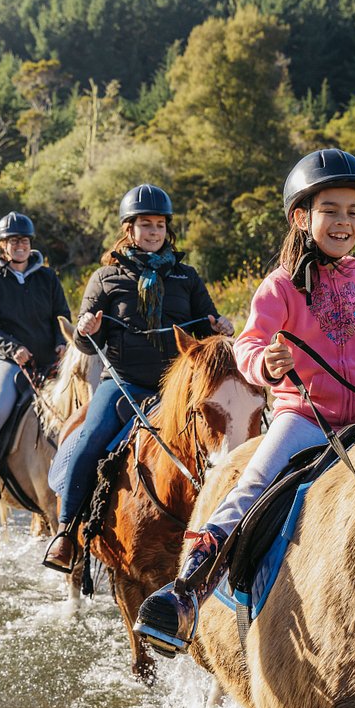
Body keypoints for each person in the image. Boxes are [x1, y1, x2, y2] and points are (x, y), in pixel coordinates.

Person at [134, 148, 355, 656]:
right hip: (305, 418)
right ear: (302, 218)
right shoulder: (279, 286)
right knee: (251, 487)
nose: (344, 222)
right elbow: (247, 344)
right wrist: (267, 363)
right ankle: (188, 593)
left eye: (353, 212)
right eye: (331, 210)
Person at [43, 184, 233, 572]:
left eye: (160, 225)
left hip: (177, 388)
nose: (153, 232)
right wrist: (86, 327)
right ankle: (66, 533)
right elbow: (82, 340)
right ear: (129, 229)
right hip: (124, 383)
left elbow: (210, 327)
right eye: (145, 225)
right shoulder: (105, 277)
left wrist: (222, 325)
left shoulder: (187, 277)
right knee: (90, 439)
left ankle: (230, 528)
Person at [0, 211, 71, 497]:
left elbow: (60, 314)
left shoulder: (48, 278)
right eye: (13, 241)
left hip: (50, 359)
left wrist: (60, 343)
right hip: (11, 362)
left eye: (24, 240)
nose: (20, 246)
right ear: (3, 245)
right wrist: (13, 348)